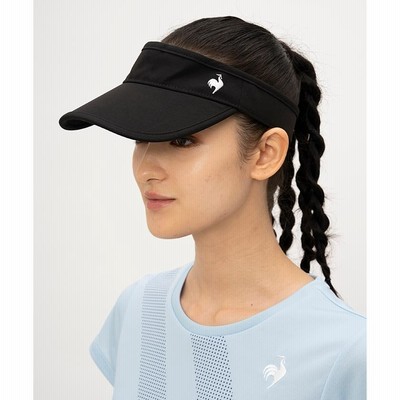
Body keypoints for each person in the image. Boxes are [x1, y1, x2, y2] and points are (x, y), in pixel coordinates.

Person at [59, 16, 365, 400]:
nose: (146, 168)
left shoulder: (349, 352)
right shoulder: (137, 310)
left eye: (182, 140)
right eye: (140, 138)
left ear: (265, 153)